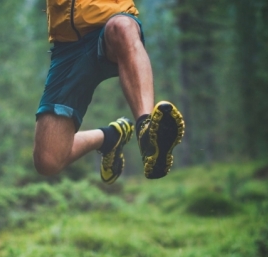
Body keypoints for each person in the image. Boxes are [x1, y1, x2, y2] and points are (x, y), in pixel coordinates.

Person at [33, 0, 185, 184]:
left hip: (111, 24)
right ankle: (109, 137)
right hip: (67, 46)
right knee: (47, 161)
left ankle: (146, 129)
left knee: (122, 26)